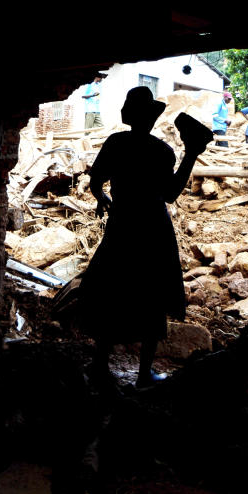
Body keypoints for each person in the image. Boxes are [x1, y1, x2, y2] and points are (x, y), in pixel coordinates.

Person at [79, 86, 210, 388]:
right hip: (153, 230)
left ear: (128, 116)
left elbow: (96, 181)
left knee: (111, 291)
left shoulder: (116, 143)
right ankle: (143, 374)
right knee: (152, 296)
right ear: (151, 119)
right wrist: (191, 154)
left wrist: (102, 198)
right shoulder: (162, 151)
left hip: (123, 226)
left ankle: (100, 366)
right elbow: (171, 194)